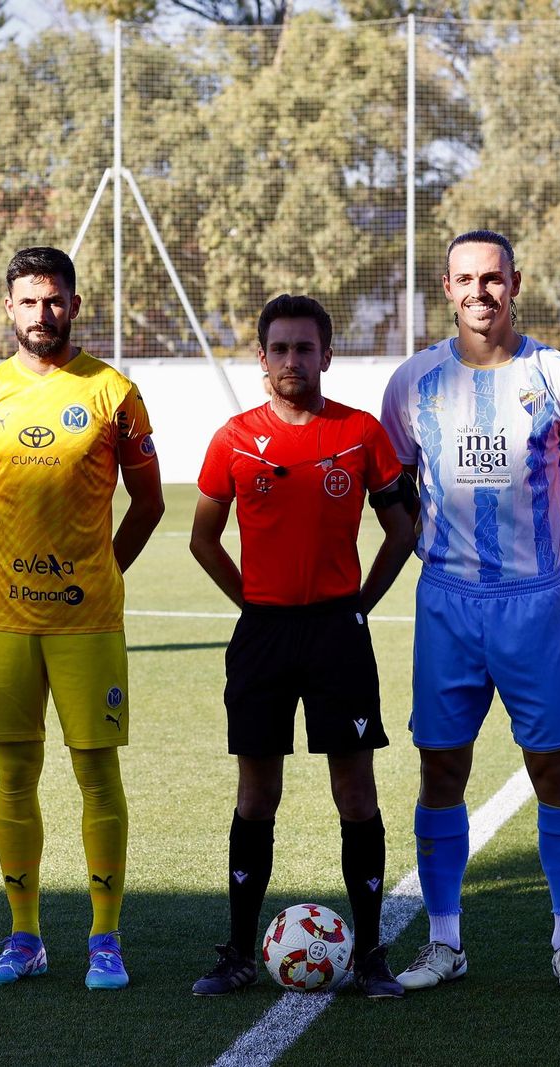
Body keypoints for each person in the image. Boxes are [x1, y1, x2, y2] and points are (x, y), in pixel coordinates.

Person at [380, 230, 560, 994]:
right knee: (441, 766)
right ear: (447, 288)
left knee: (552, 767)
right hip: (447, 602)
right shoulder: (413, 383)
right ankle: (445, 941)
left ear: (517, 284)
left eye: (494, 278)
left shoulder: (559, 377)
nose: (481, 291)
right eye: (466, 279)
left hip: (533, 602)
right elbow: (398, 487)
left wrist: (542, 557)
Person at [188, 294, 418, 999]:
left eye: (304, 348)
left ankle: (372, 952)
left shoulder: (359, 433)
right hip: (262, 634)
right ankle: (236, 951)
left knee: (355, 791)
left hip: (335, 634)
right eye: (279, 348)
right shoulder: (233, 438)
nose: (293, 360)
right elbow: (203, 538)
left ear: (326, 355)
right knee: (258, 795)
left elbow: (402, 531)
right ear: (262, 357)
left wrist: (358, 606)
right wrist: (253, 603)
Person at [0, 246, 164, 992]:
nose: (42, 314)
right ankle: (25, 935)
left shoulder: (114, 391)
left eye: (54, 300)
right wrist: (9, 559)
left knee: (95, 774)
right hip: (5, 618)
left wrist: (100, 571)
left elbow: (150, 502)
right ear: (7, 307)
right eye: (29, 301)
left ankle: (105, 938)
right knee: (15, 773)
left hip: (88, 622)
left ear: (74, 304)